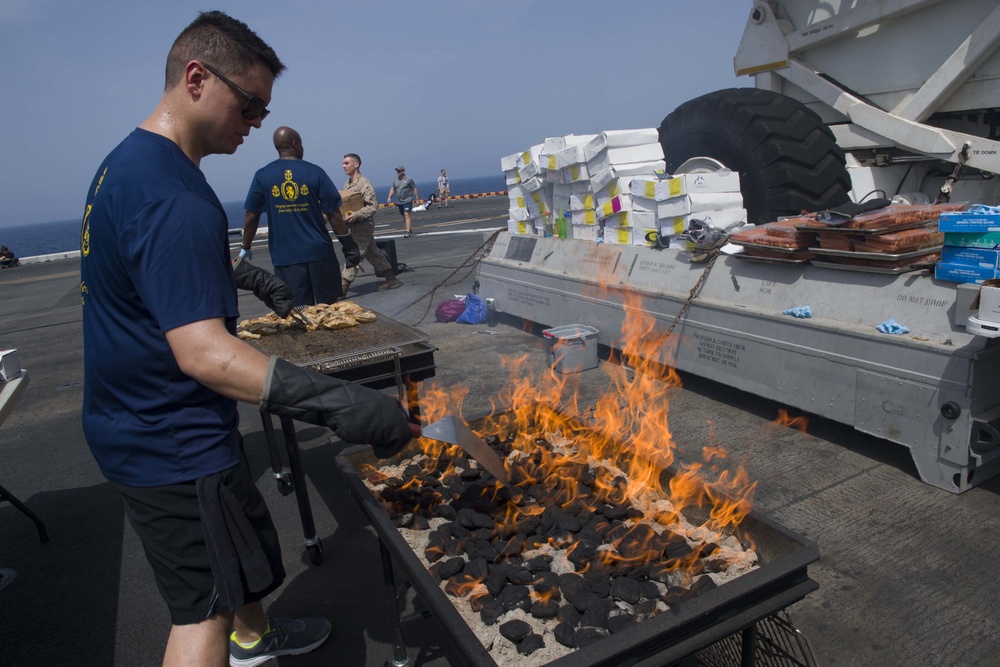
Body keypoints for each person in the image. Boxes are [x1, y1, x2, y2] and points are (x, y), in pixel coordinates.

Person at [78, 11, 412, 667]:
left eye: (265, 109)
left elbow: (151, 262)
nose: (256, 121)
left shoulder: (128, 165)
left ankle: (256, 638)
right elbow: (203, 353)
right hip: (169, 438)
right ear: (196, 77)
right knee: (201, 612)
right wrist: (342, 402)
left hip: (138, 419)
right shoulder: (173, 194)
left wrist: (246, 271)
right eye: (250, 102)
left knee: (229, 556)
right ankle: (237, 637)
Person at [241, 126, 360, 305]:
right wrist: (349, 246)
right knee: (330, 310)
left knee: (298, 311)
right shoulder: (315, 172)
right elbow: (334, 214)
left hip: (286, 258)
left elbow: (252, 215)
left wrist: (246, 246)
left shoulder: (262, 176)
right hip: (320, 254)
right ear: (296, 144)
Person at [340, 153, 398, 294]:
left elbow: (372, 206)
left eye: (346, 163)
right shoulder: (347, 184)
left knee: (355, 254)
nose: (343, 166)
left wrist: (357, 214)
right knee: (373, 253)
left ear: (356, 164)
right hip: (353, 226)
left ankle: (342, 287)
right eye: (343, 163)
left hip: (363, 226)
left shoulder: (364, 184)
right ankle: (391, 278)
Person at [387, 165, 418, 238]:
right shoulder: (395, 180)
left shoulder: (409, 179)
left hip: (408, 200)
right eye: (397, 171)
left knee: (406, 214)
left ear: (403, 171)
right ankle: (409, 229)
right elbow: (392, 189)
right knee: (404, 216)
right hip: (400, 201)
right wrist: (389, 197)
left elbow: (414, 188)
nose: (398, 172)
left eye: (399, 171)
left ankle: (407, 231)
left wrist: (417, 199)